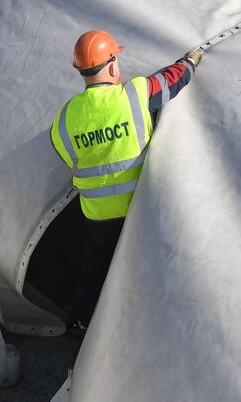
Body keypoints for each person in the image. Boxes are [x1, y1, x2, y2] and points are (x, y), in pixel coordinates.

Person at [50, 29, 204, 332]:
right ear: (110, 66)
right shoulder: (133, 94)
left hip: (97, 215)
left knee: (95, 270)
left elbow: (67, 157)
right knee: (142, 269)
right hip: (139, 207)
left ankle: (84, 323)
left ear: (80, 70)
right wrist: (189, 62)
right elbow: (171, 80)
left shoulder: (65, 117)